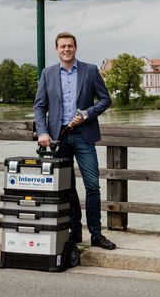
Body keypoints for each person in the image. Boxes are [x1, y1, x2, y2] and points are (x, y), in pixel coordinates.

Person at [34, 32, 115, 249]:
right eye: (62, 46)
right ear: (56, 49)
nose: (66, 49)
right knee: (67, 187)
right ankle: (75, 231)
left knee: (92, 186)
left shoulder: (90, 70)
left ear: (76, 48)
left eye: (70, 46)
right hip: (58, 137)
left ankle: (96, 235)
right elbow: (40, 106)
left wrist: (87, 114)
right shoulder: (47, 73)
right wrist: (42, 132)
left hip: (84, 134)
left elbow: (106, 99)